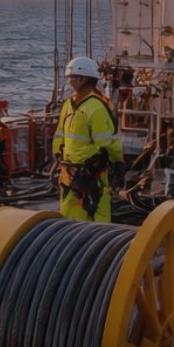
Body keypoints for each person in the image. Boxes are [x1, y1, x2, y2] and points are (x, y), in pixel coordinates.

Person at [52, 57, 124, 223]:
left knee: (97, 218)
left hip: (92, 173)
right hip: (70, 173)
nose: (70, 82)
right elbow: (60, 134)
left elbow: (107, 142)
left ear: (82, 79)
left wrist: (117, 163)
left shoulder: (97, 108)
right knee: (73, 217)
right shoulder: (69, 105)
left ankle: (96, 246)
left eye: (72, 78)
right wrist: (58, 154)